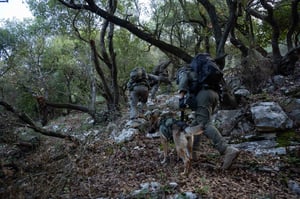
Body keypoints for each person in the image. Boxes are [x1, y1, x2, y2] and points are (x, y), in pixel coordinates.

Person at [177, 58, 240, 170]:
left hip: (204, 95)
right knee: (196, 124)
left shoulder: (185, 71)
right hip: (214, 95)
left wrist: (181, 99)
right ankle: (193, 153)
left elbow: (183, 83)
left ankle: (227, 150)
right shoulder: (202, 73)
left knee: (204, 124)